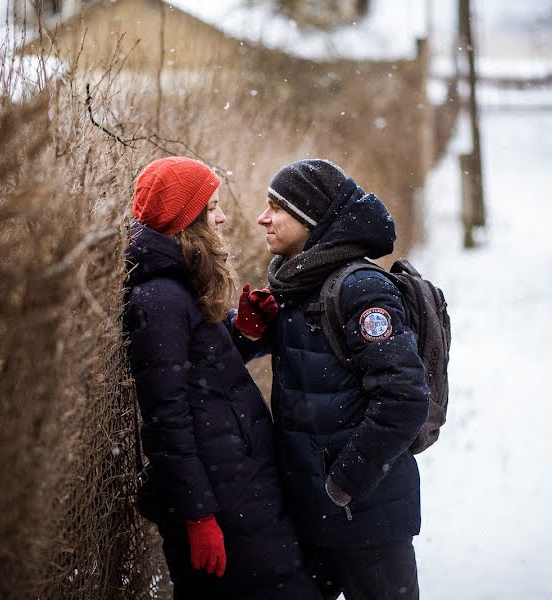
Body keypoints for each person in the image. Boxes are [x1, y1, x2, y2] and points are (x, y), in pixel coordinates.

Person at [123, 156, 322, 600]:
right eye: (211, 207)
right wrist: (198, 517)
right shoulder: (158, 299)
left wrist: (242, 330)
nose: (223, 216)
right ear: (184, 220)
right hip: (222, 499)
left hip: (241, 486)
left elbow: (201, 370)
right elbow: (167, 419)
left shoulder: (179, 285)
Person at [231, 159, 430, 600]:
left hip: (365, 520)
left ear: (310, 217)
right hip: (313, 514)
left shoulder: (360, 288)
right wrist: (242, 331)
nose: (263, 217)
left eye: (276, 207)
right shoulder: (300, 286)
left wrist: (344, 485)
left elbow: (404, 398)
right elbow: (226, 355)